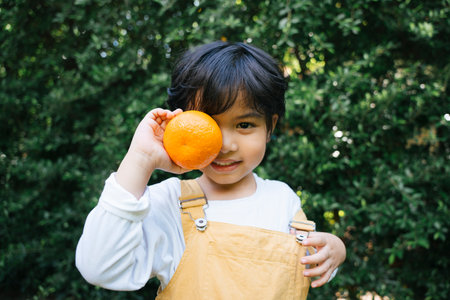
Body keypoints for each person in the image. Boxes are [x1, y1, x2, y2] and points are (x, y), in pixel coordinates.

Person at [76, 41, 346, 299]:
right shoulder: (170, 204)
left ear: (270, 127)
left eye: (244, 125)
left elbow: (307, 265)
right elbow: (99, 267)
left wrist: (334, 249)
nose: (226, 145)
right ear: (179, 124)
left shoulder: (283, 199)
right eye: (210, 125)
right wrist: (140, 158)